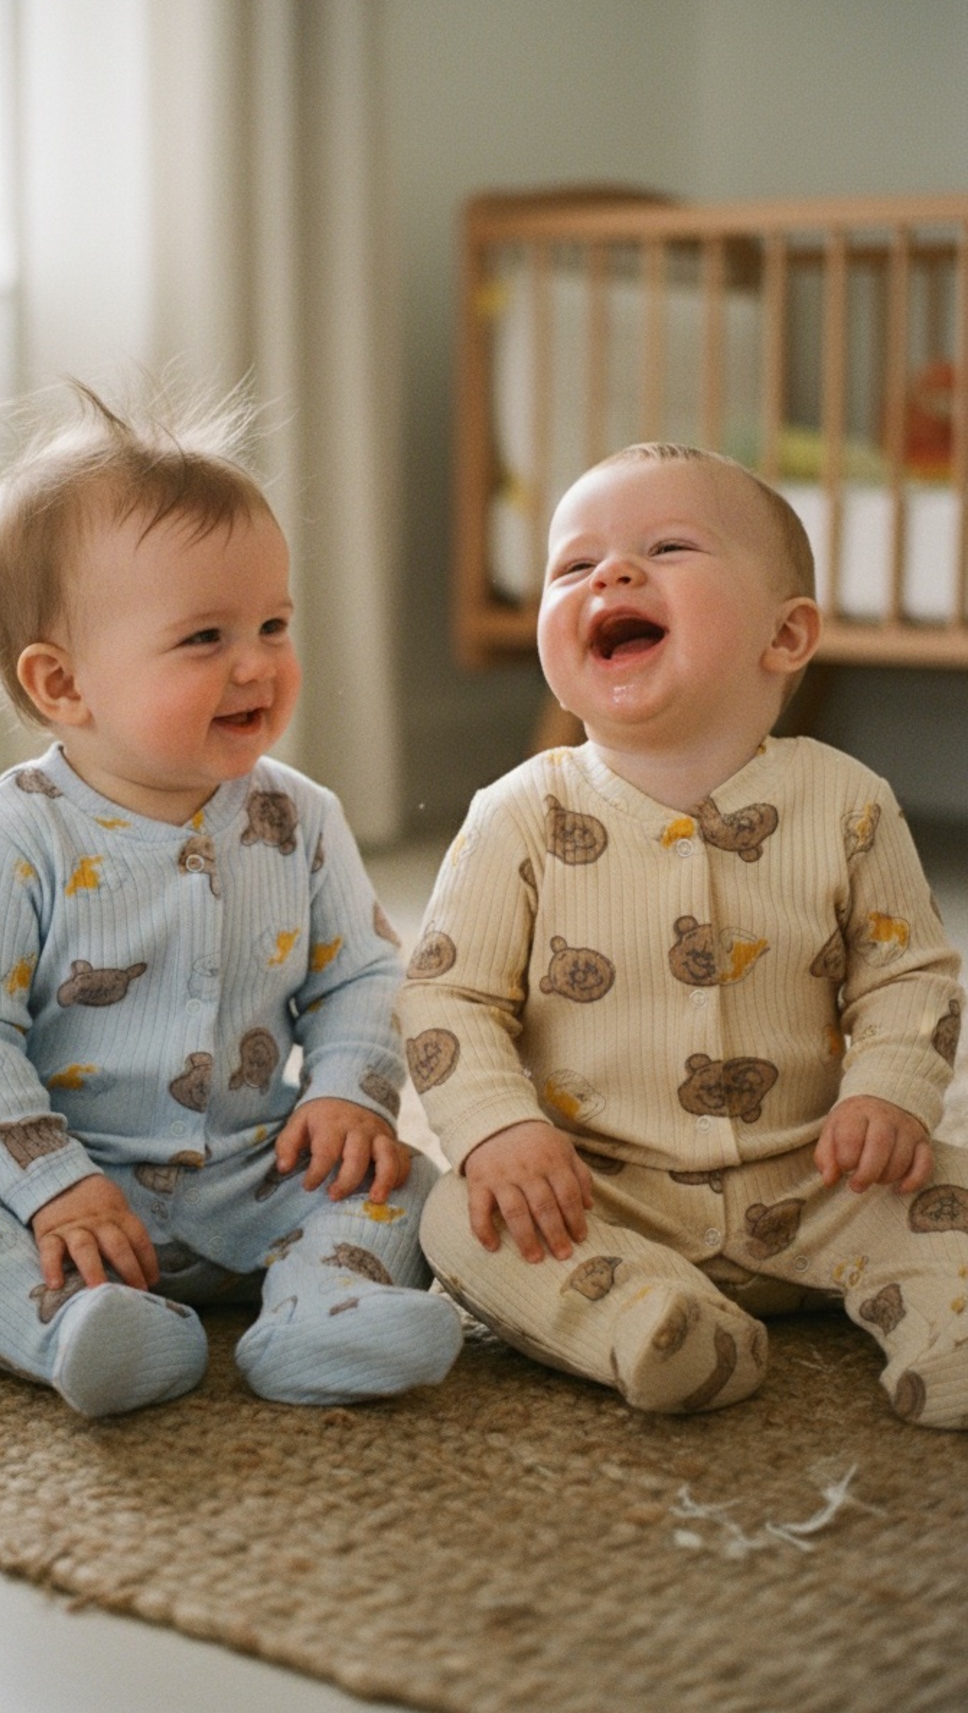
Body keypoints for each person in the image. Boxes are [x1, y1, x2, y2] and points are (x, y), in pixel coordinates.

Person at [0, 380, 462, 1416]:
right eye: (205, 639)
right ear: (63, 685)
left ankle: (319, 1312)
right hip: (62, 1195)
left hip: (253, 1178)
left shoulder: (298, 818)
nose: (258, 663)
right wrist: (49, 1183)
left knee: (411, 1189)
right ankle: (74, 1326)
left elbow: (360, 973)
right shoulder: (4, 838)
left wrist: (349, 1092)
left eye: (272, 623)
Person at [403, 441, 967, 1426]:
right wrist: (500, 1128)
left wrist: (891, 1095)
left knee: (950, 1192)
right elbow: (448, 995)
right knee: (459, 1220)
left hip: (826, 1174)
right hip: (603, 1191)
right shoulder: (517, 813)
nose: (610, 574)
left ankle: (948, 1330)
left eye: (668, 547)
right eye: (573, 567)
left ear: (785, 636)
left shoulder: (847, 802)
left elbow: (908, 973)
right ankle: (651, 1321)